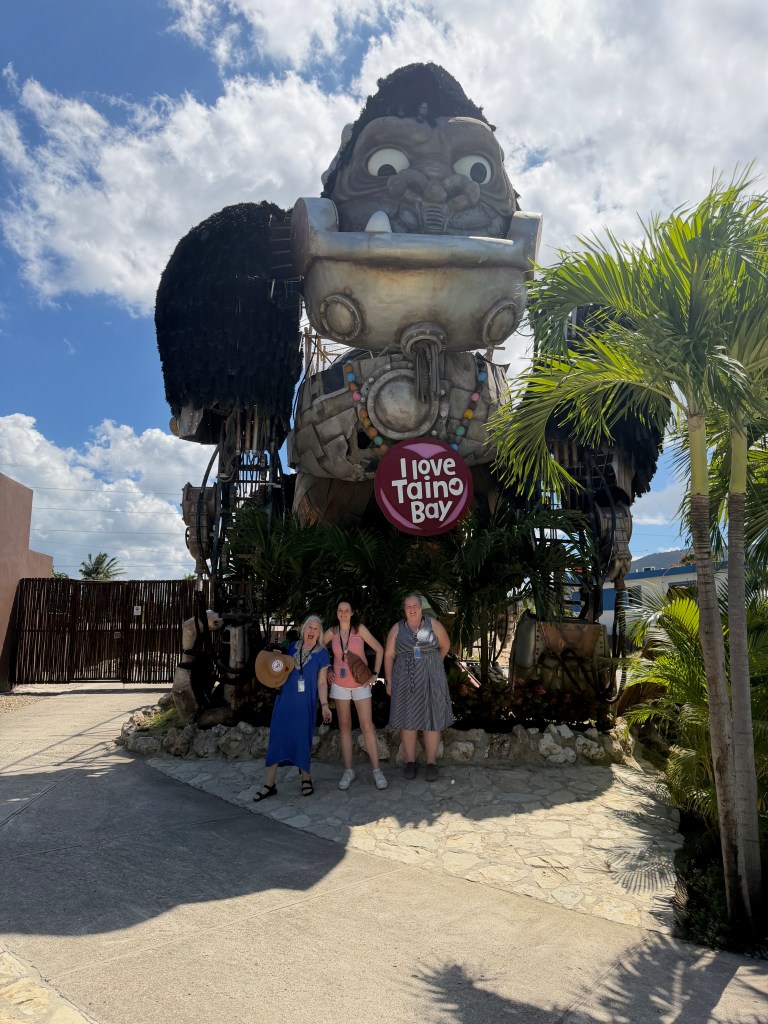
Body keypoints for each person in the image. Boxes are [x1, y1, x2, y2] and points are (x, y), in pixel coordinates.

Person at [253, 615, 331, 801]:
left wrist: (325, 705)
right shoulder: (291, 647)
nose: (312, 631)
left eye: (316, 628)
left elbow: (321, 683)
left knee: (302, 739)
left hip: (305, 704)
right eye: (309, 627)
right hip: (284, 700)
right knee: (277, 738)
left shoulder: (321, 653)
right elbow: (278, 669)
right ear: (303, 629)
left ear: (319, 633)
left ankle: (306, 778)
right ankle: (269, 784)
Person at [384, 593, 454, 782]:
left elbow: (445, 646)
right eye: (408, 606)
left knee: (432, 720)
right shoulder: (397, 629)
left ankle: (431, 763)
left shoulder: (433, 625)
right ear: (404, 609)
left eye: (415, 606)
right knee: (408, 720)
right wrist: (389, 681)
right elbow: (389, 655)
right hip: (405, 682)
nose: (412, 609)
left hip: (432, 680)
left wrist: (434, 663)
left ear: (421, 608)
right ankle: (410, 762)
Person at [323, 601, 387, 790]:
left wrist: (375, 674)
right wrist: (326, 669)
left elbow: (379, 649)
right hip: (339, 685)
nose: (343, 613)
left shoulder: (359, 630)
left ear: (351, 613)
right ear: (337, 613)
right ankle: (348, 770)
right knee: (344, 726)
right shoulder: (332, 632)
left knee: (367, 725)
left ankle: (377, 771)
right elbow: (317, 649)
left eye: (346, 610)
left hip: (361, 684)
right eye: (340, 610)